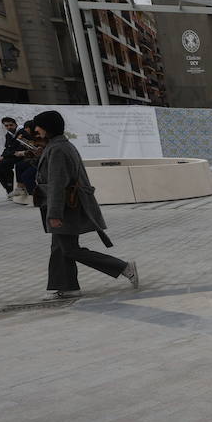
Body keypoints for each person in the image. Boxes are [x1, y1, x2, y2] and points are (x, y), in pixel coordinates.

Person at [31, 110, 139, 300]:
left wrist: (54, 214)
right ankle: (68, 287)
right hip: (69, 205)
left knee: (69, 249)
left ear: (47, 127)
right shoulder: (59, 146)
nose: (36, 129)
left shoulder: (57, 149)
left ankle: (123, 267)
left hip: (65, 207)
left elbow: (57, 183)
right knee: (59, 247)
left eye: (38, 126)